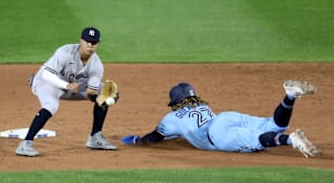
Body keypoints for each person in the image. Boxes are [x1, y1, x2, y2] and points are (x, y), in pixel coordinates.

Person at [121, 80, 319, 158]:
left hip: (217, 135)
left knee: (256, 141)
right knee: (274, 125)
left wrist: (137, 141)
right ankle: (290, 96)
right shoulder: (202, 105)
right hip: (226, 117)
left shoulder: (171, 118)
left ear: (176, 102)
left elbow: (153, 138)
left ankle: (290, 140)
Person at [16, 27, 119, 157]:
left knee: (103, 91)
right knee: (51, 106)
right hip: (47, 82)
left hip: (72, 87)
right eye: (87, 41)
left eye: (94, 42)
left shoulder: (96, 65)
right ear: (80, 41)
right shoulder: (65, 52)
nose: (90, 45)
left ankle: (95, 138)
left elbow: (90, 93)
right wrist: (66, 85)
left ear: (98, 44)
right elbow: (47, 74)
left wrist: (101, 99)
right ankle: (26, 144)